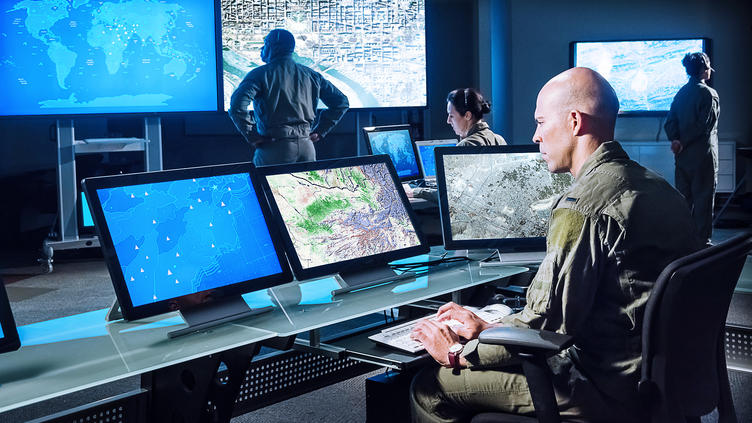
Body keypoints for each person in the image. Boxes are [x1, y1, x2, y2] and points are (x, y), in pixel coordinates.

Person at [409, 68, 704, 422]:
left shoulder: (582, 207)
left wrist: (458, 352)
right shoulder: (660, 188)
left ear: (574, 122)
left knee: (429, 385)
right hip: (659, 381)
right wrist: (488, 329)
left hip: (599, 386)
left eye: (541, 122)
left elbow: (544, 326)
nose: (535, 136)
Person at [228, 29, 349, 166]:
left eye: (265, 43)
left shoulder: (259, 74)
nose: (262, 48)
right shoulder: (311, 75)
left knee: (262, 186)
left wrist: (252, 135)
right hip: (307, 147)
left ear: (273, 47)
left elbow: (237, 106)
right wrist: (321, 131)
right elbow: (341, 102)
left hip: (275, 147)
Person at [409, 88, 506, 202]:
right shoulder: (499, 140)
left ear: (467, 116)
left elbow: (451, 195)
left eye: (451, 116)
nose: (448, 121)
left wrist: (416, 192)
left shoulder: (465, 146)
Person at [664, 52, 720, 243]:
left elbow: (670, 122)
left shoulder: (681, 93)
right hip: (703, 157)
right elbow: (705, 127)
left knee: (683, 201)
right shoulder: (708, 94)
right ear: (704, 69)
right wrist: (685, 141)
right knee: (704, 201)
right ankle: (702, 245)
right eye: (709, 66)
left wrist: (676, 141)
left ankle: (683, 242)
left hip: (682, 158)